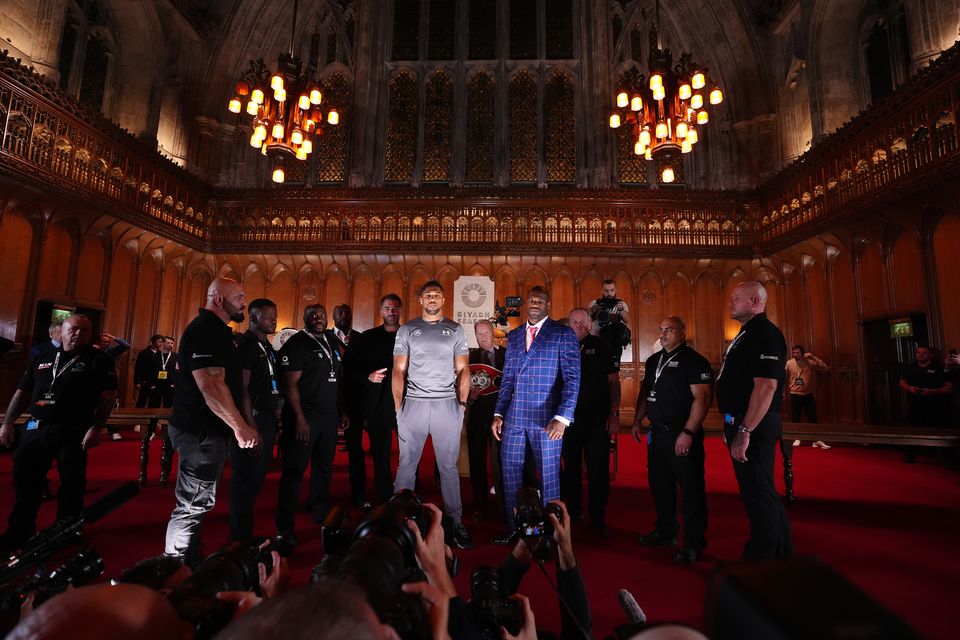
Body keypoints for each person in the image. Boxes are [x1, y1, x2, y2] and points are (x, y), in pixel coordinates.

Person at [164, 277, 260, 567]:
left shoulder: (218, 331)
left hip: (206, 431)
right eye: (239, 297)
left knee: (198, 502)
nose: (244, 302)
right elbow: (212, 386)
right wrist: (240, 426)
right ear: (219, 299)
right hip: (200, 432)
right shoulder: (207, 331)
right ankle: (174, 569)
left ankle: (188, 558)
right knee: (192, 505)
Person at [0, 314, 117, 551]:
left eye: (84, 330)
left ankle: (67, 531)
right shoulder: (42, 358)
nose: (78, 333)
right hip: (35, 428)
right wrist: (8, 421)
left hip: (72, 430)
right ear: (60, 332)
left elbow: (107, 399)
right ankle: (19, 530)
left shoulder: (99, 360)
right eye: (73, 329)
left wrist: (96, 427)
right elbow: (22, 393)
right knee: (26, 482)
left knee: (72, 485)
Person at [492, 286, 580, 541]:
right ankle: (516, 532)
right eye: (531, 300)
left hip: (548, 420)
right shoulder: (516, 335)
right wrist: (498, 413)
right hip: (514, 418)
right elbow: (508, 378)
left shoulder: (562, 334)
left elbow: (573, 379)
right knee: (509, 474)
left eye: (540, 300)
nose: (534, 303)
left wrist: (563, 418)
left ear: (548, 305)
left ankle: (551, 536)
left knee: (549, 478)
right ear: (525, 304)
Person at [392, 280, 473, 549]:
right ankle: (399, 521)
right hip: (413, 404)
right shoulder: (408, 328)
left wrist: (461, 405)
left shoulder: (455, 329)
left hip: (446, 405)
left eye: (437, 295)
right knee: (406, 466)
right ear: (421, 300)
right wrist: (397, 408)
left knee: (449, 468)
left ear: (443, 300)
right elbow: (398, 370)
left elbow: (463, 369)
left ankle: (455, 521)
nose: (433, 299)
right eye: (428, 295)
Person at [716, 281, 793, 559]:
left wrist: (745, 430)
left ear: (754, 301)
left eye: (736, 298)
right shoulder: (746, 333)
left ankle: (760, 561)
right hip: (742, 421)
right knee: (761, 492)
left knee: (757, 495)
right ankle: (782, 555)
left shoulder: (765, 334)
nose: (730, 302)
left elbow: (766, 387)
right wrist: (732, 424)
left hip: (756, 425)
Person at [632, 316, 713, 563]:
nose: (664, 334)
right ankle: (665, 532)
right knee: (660, 486)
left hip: (682, 434)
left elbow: (703, 398)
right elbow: (645, 391)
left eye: (669, 330)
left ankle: (693, 543)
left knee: (690, 490)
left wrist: (688, 432)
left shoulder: (695, 361)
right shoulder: (654, 360)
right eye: (661, 330)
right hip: (657, 434)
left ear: (682, 332)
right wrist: (637, 420)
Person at [275, 304, 347, 543]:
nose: (319, 319)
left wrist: (340, 410)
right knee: (294, 471)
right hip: (305, 417)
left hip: (328, 415)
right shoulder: (296, 344)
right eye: (313, 316)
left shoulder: (329, 340)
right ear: (304, 318)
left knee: (324, 466)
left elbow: (336, 378)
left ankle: (320, 511)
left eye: (322, 315)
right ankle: (284, 526)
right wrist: (300, 419)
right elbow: (289, 384)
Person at [563, 308, 620, 538]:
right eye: (574, 321)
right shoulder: (561, 346)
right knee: (571, 469)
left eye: (582, 321)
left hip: (598, 419)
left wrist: (615, 414)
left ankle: (597, 517)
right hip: (568, 420)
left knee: (597, 470)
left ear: (589, 324)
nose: (578, 325)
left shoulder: (601, 346)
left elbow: (614, 382)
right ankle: (574, 512)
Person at [229, 298, 281, 544]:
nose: (274, 319)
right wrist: (250, 427)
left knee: (256, 479)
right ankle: (239, 538)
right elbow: (243, 389)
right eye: (268, 315)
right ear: (253, 318)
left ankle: (244, 533)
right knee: (245, 481)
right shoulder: (247, 345)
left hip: (267, 419)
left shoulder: (267, 347)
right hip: (254, 421)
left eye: (275, 315)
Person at [353, 294, 404, 507]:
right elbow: (352, 369)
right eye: (387, 308)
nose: (391, 312)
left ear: (400, 310)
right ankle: (384, 495)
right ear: (381, 311)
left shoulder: (410, 334)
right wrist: (368, 376)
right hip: (378, 403)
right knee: (380, 453)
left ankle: (408, 493)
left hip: (406, 401)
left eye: (394, 308)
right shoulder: (368, 337)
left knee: (410, 452)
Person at [465, 319, 507, 521]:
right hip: (477, 417)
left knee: (500, 462)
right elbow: (459, 388)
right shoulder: (468, 358)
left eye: (486, 333)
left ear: (493, 333)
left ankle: (504, 504)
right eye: (479, 334)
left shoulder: (506, 356)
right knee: (477, 461)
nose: (483, 337)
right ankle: (480, 503)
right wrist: (467, 398)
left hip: (501, 418)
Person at [332, 304, 368, 507]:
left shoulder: (360, 339)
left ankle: (359, 493)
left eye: (347, 312)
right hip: (328, 401)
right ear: (333, 316)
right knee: (324, 453)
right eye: (340, 313)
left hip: (353, 402)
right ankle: (320, 496)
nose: (344, 316)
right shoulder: (326, 337)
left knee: (356, 451)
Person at [899, 344, 955, 464]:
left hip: (936, 405)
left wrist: (933, 391)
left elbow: (949, 387)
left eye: (924, 353)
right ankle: (910, 454)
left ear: (930, 354)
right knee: (913, 430)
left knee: (939, 430)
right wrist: (910, 388)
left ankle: (944, 456)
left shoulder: (940, 368)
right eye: (918, 353)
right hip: (915, 404)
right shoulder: (911, 367)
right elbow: (903, 382)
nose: (921, 355)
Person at [785, 345, 830, 449]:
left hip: (808, 394)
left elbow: (824, 367)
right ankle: (797, 438)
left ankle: (815, 440)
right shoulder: (789, 363)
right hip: (794, 394)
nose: (795, 354)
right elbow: (784, 376)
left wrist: (813, 357)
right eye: (794, 353)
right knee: (796, 418)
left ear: (802, 353)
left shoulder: (809, 362)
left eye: (797, 353)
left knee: (813, 417)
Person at [134, 335, 166, 408]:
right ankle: (137, 418)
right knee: (141, 402)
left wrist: (162, 382)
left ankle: (153, 419)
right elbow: (138, 368)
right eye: (159, 342)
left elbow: (162, 369)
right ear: (153, 341)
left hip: (156, 383)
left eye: (162, 342)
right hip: (144, 382)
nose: (161, 344)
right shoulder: (143, 353)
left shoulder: (161, 354)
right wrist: (137, 382)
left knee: (154, 403)